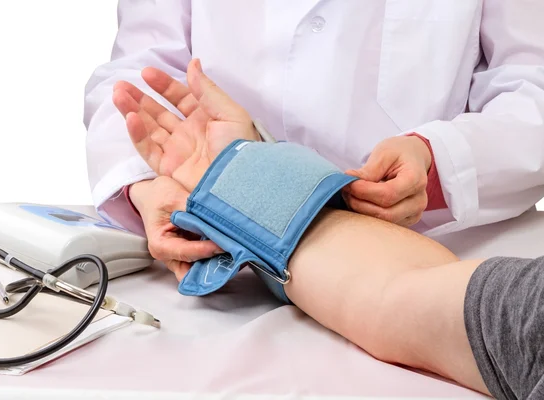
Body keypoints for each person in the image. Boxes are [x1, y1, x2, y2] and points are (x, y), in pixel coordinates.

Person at [113, 58, 544, 399]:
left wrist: (244, 189)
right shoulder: (524, 316)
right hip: (303, 250)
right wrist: (154, 186)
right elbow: (411, 298)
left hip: (428, 236)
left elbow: (531, 84)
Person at [84, 1, 544, 280]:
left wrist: (438, 160)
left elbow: (532, 87)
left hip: (427, 250)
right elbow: (139, 72)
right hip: (219, 246)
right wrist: (146, 182)